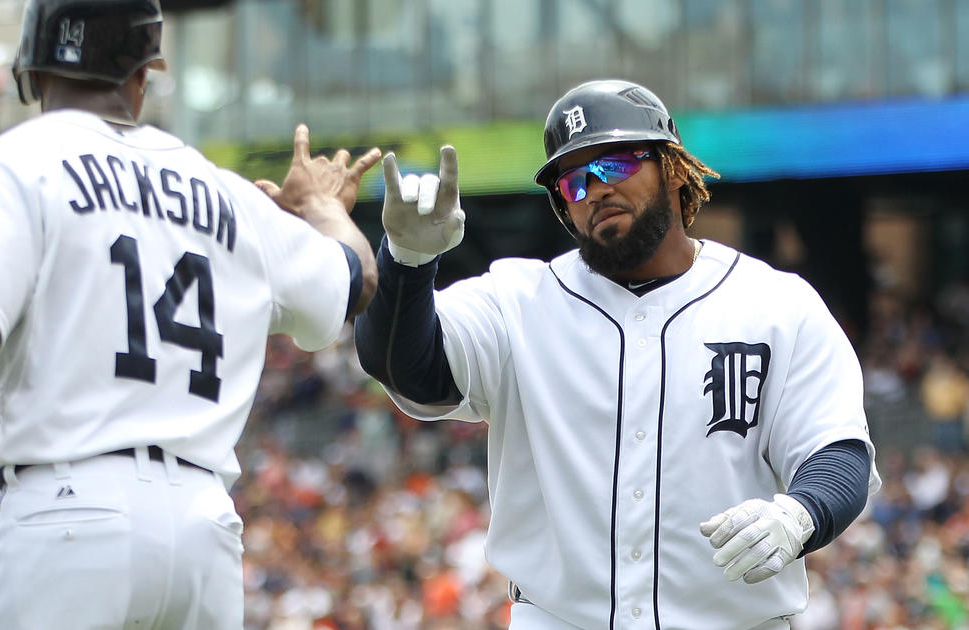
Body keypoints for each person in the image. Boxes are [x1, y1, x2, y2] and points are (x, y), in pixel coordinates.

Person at [0, 0, 380, 628]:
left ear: (28, 71)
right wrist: (323, 209)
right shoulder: (225, 192)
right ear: (144, 74)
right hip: (206, 536)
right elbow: (356, 279)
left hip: (66, 516)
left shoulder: (9, 165)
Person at [354, 79, 881, 630]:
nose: (596, 189)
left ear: (672, 167)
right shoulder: (517, 301)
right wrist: (407, 262)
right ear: (564, 210)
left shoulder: (776, 303)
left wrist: (800, 515)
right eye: (576, 181)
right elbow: (405, 368)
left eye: (616, 164)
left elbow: (838, 451)